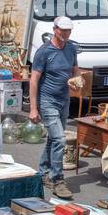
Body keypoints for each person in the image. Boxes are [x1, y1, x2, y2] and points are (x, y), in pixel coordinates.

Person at [29, 15, 85, 199]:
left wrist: (77, 80)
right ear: (55, 29)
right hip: (48, 100)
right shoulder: (44, 52)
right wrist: (33, 108)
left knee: (53, 139)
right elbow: (34, 80)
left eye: (69, 30)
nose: (67, 34)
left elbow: (75, 69)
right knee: (60, 139)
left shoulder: (71, 48)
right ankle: (57, 180)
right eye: (63, 30)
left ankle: (43, 172)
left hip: (64, 99)